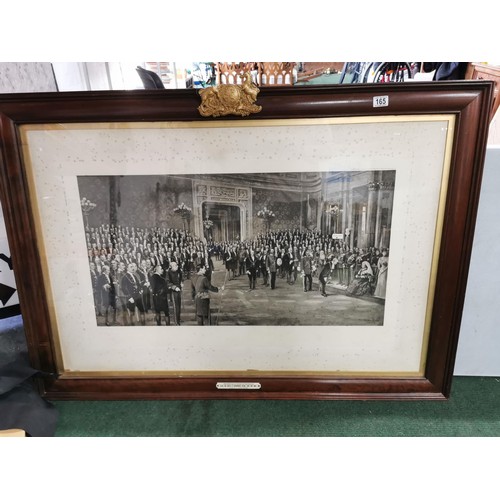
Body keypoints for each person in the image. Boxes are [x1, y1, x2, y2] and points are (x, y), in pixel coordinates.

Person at [166, 261, 183, 325]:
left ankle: (178, 319)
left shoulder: (178, 271)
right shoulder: (168, 272)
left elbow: (181, 277)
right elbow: (167, 282)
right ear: (171, 266)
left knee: (179, 306)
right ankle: (176, 322)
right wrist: (174, 287)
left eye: (176, 265)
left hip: (179, 290)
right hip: (173, 292)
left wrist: (181, 282)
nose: (177, 266)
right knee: (176, 307)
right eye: (175, 265)